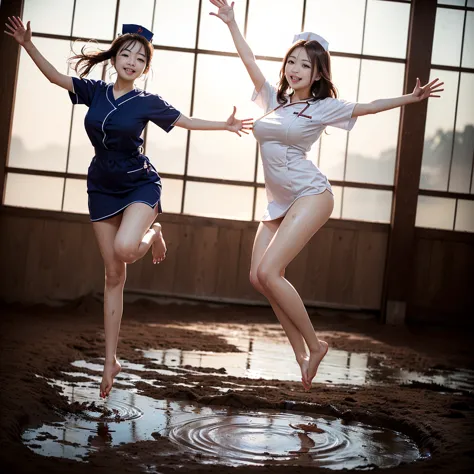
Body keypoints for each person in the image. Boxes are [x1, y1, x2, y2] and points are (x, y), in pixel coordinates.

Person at [4, 17, 252, 399]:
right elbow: (55, 77)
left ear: (145, 68)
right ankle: (110, 361)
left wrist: (224, 124)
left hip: (139, 184)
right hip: (101, 187)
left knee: (124, 249)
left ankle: (153, 232)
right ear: (115, 58)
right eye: (126, 54)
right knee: (113, 276)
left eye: (140, 58)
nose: (131, 61)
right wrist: (26, 44)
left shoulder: (146, 102)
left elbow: (184, 121)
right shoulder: (96, 91)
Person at [209, 0, 443, 390]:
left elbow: (369, 107)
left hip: (311, 193)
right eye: (292, 61)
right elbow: (248, 59)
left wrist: (410, 99)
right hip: (278, 200)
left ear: (318, 74)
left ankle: (316, 346)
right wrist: (232, 23)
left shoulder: (324, 107)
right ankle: (301, 352)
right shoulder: (273, 99)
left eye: (305, 65)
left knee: (269, 272)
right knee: (259, 277)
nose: (295, 69)